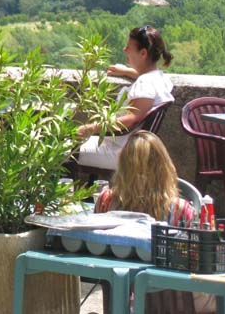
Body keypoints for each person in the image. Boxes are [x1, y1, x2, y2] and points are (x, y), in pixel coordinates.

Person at [94, 132, 213, 314]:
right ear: (164, 166)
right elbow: (198, 262)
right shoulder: (181, 210)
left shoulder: (106, 201)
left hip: (121, 295)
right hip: (173, 302)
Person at [78, 25, 174, 171]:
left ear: (143, 53)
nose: (124, 50)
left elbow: (130, 120)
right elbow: (146, 78)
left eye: (128, 47)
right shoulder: (159, 79)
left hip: (119, 152)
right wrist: (128, 71)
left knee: (62, 150)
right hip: (128, 148)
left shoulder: (145, 84)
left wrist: (89, 128)